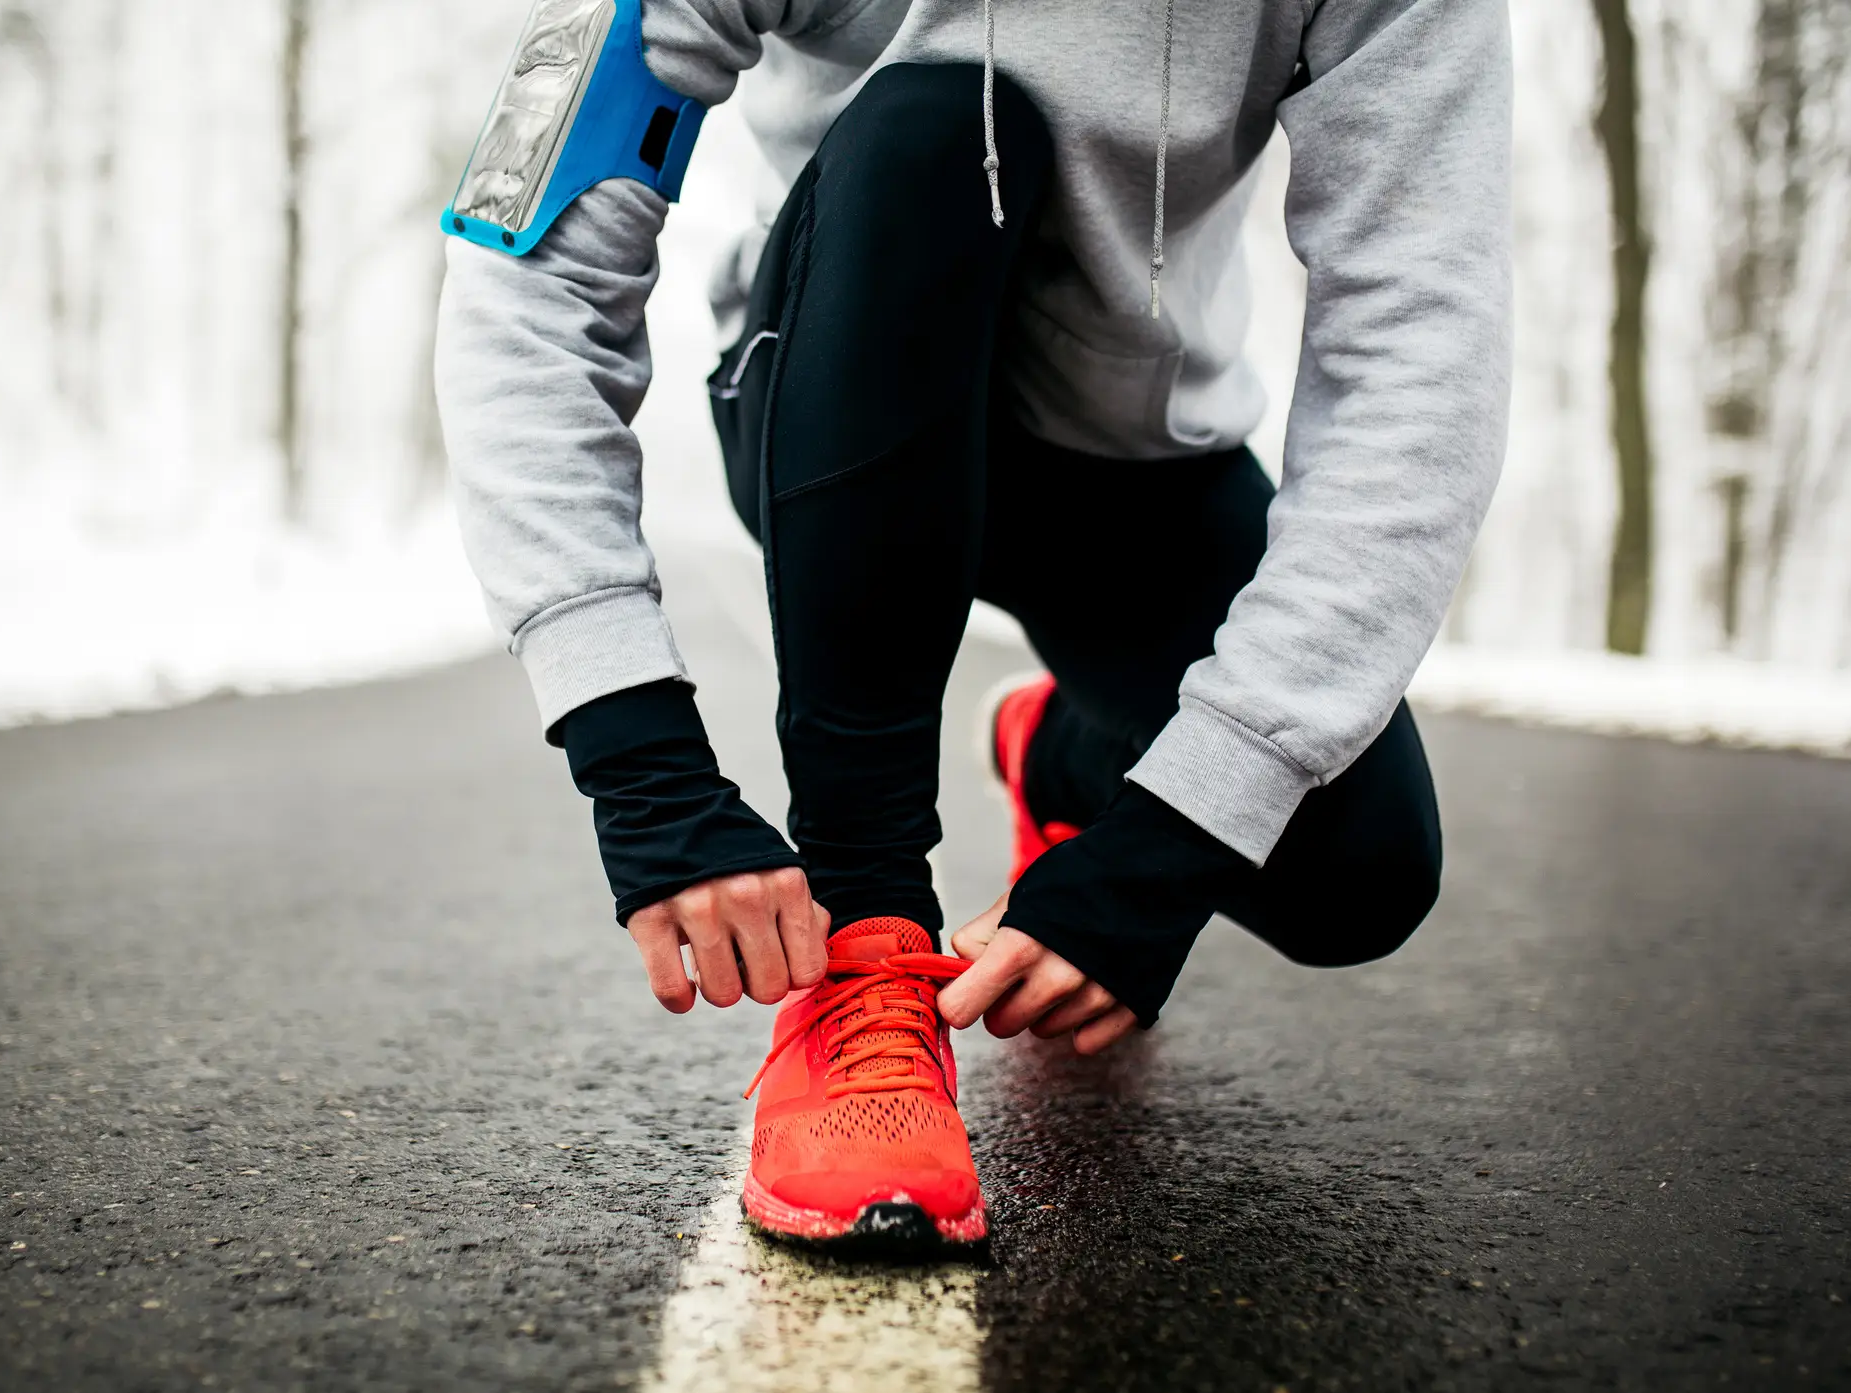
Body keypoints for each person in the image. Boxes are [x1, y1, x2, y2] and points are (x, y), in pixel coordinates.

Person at [435, 0, 1511, 1251]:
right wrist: (635, 755)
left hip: (1127, 463)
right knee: (939, 123)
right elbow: (531, 276)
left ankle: (1063, 753)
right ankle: (864, 947)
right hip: (837, 397)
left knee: (1358, 875)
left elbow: (1420, 350)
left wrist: (1178, 831)